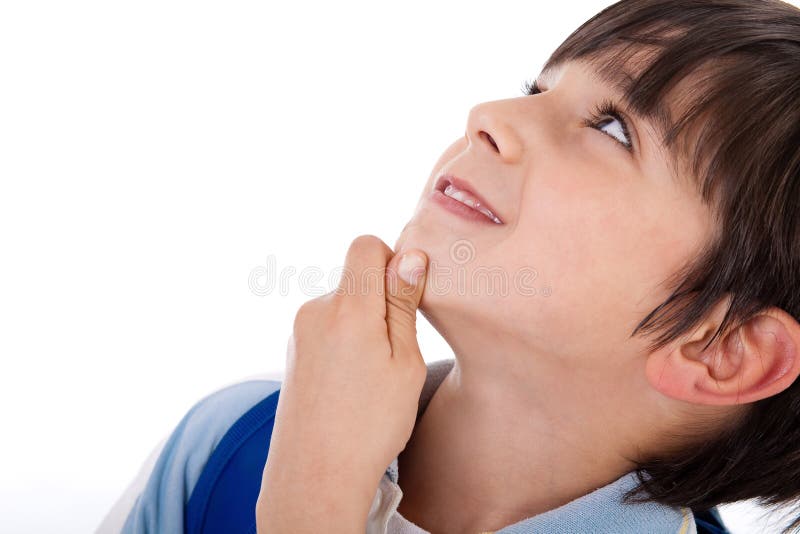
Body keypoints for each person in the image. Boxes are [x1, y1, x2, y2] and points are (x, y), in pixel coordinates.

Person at [102, 0, 800, 532]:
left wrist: (312, 502)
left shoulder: (285, 462)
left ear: (724, 348)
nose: (488, 115)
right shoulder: (231, 439)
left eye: (611, 127)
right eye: (536, 90)